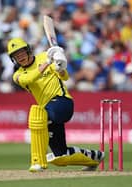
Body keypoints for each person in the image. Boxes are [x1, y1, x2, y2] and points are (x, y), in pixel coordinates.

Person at [7, 38, 104, 172]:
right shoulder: (17, 75)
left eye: (22, 53)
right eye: (16, 56)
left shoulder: (44, 56)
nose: (20, 57)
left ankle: (38, 162)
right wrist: (48, 61)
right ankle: (94, 158)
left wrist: (60, 67)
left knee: (36, 112)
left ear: (28, 50)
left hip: (62, 103)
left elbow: (65, 77)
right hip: (48, 111)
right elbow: (30, 78)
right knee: (61, 156)